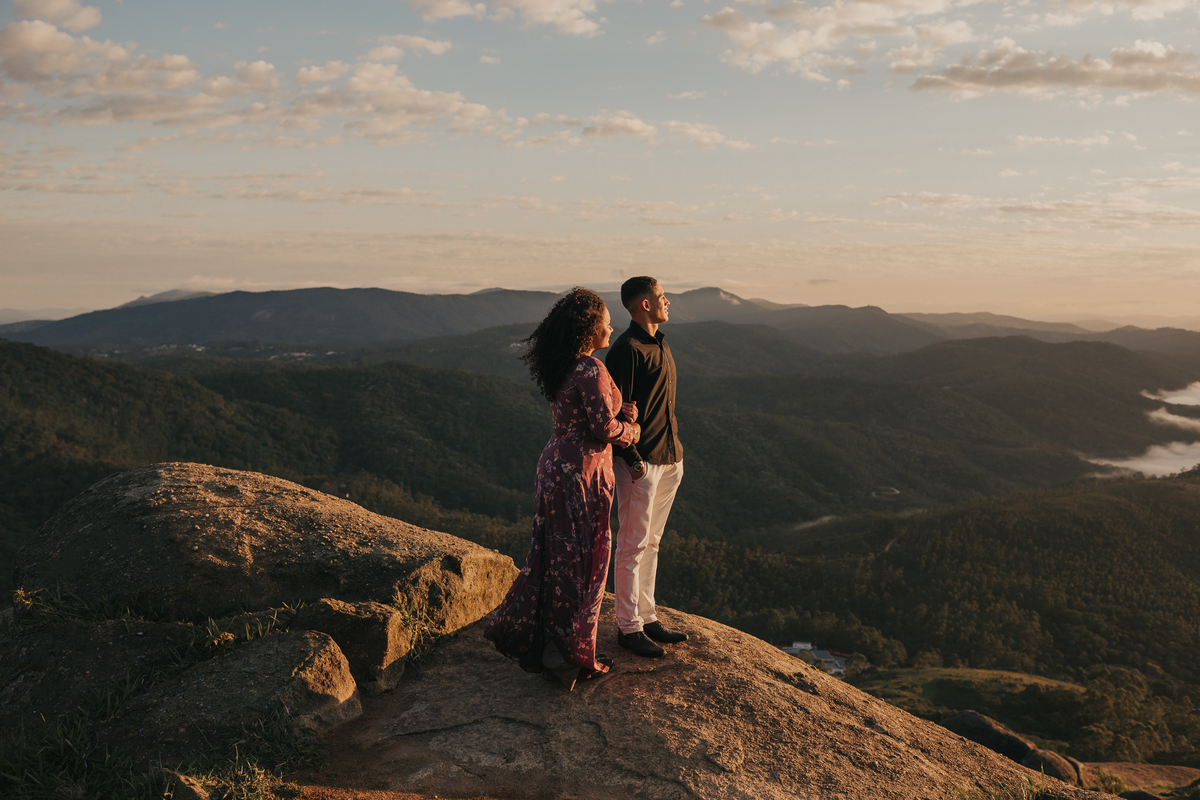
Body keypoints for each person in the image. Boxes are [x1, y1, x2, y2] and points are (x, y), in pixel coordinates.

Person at [484, 287, 640, 691]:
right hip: (583, 473)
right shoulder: (591, 368)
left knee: (555, 557)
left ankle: (551, 645)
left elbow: (586, 411)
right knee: (587, 560)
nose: (611, 326)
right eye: (605, 320)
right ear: (589, 328)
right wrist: (631, 429)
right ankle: (569, 651)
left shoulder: (563, 365)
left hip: (555, 464)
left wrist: (617, 411)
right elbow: (602, 428)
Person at [605, 276, 687, 659]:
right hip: (642, 463)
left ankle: (648, 616)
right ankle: (628, 627)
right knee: (632, 545)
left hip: (670, 459)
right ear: (644, 306)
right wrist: (635, 464)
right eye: (660, 297)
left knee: (651, 542)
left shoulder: (659, 343)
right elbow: (614, 417)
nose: (667, 301)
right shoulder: (626, 350)